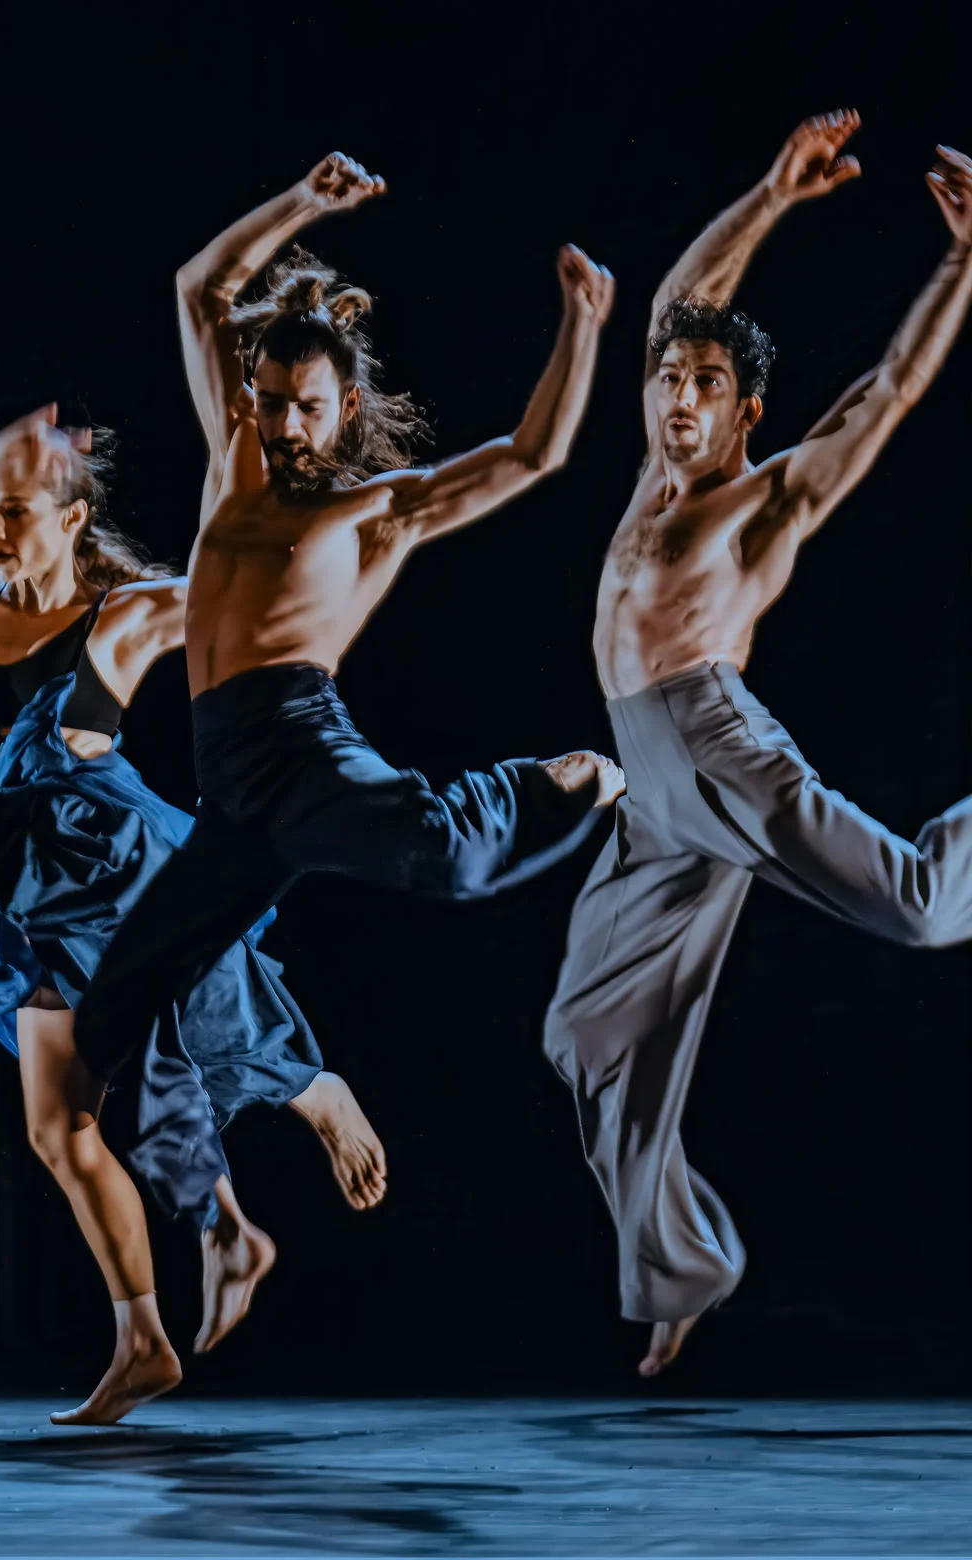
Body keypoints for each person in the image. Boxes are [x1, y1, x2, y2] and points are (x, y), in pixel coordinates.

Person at [71, 154, 625, 1327]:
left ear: (344, 411)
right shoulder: (232, 464)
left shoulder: (369, 514)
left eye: (301, 408)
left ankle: (551, 785)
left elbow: (534, 457)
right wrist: (304, 207)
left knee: (450, 859)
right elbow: (195, 289)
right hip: (227, 787)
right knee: (110, 1020)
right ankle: (223, 1229)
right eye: (267, 399)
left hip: (303, 746)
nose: (277, 422)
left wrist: (580, 326)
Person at [540, 113, 972, 1377]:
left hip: (714, 745)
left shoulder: (762, 498)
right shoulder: (648, 474)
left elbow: (883, 394)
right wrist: (771, 194)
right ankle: (686, 1266)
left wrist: (960, 267)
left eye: (706, 387)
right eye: (670, 381)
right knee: (582, 1034)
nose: (678, 398)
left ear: (746, 410)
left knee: (916, 911)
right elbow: (684, 297)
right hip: (648, 785)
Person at [0, 407, 386, 1426]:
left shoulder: (124, 614)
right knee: (61, 1130)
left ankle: (312, 1097)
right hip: (12, 898)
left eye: (15, 512)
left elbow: (258, 601)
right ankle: (146, 1335)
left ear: (70, 519)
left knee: (185, 1025)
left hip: (101, 863)